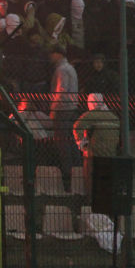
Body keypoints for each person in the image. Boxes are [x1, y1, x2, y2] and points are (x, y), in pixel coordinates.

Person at [73, 93, 120, 198]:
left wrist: (82, 143)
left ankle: (91, 203)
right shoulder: (114, 118)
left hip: (94, 155)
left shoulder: (92, 115)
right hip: (110, 156)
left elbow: (77, 126)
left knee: (91, 182)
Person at [48, 45, 80, 193]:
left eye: (52, 54)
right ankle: (77, 172)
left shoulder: (61, 70)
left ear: (58, 54)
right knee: (70, 141)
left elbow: (61, 91)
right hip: (71, 108)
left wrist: (53, 110)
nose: (50, 57)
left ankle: (68, 176)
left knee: (62, 143)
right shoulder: (70, 68)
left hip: (62, 110)